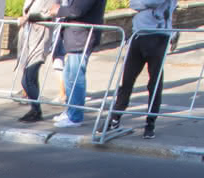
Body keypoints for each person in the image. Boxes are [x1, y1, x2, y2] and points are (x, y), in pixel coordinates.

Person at [106, 0, 175, 139]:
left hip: (158, 35)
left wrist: (141, 4)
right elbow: (133, 4)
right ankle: (115, 118)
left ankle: (150, 123)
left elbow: (153, 2)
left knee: (154, 82)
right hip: (138, 34)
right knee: (127, 80)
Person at [49, 0, 106, 127]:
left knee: (75, 78)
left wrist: (59, 10)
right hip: (76, 36)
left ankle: (75, 117)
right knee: (69, 76)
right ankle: (70, 111)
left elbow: (77, 11)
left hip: (82, 37)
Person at [15, 0, 58, 123]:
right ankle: (35, 109)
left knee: (27, 78)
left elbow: (50, 13)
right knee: (31, 78)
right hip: (30, 36)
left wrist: (27, 17)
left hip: (41, 36)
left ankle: (36, 110)